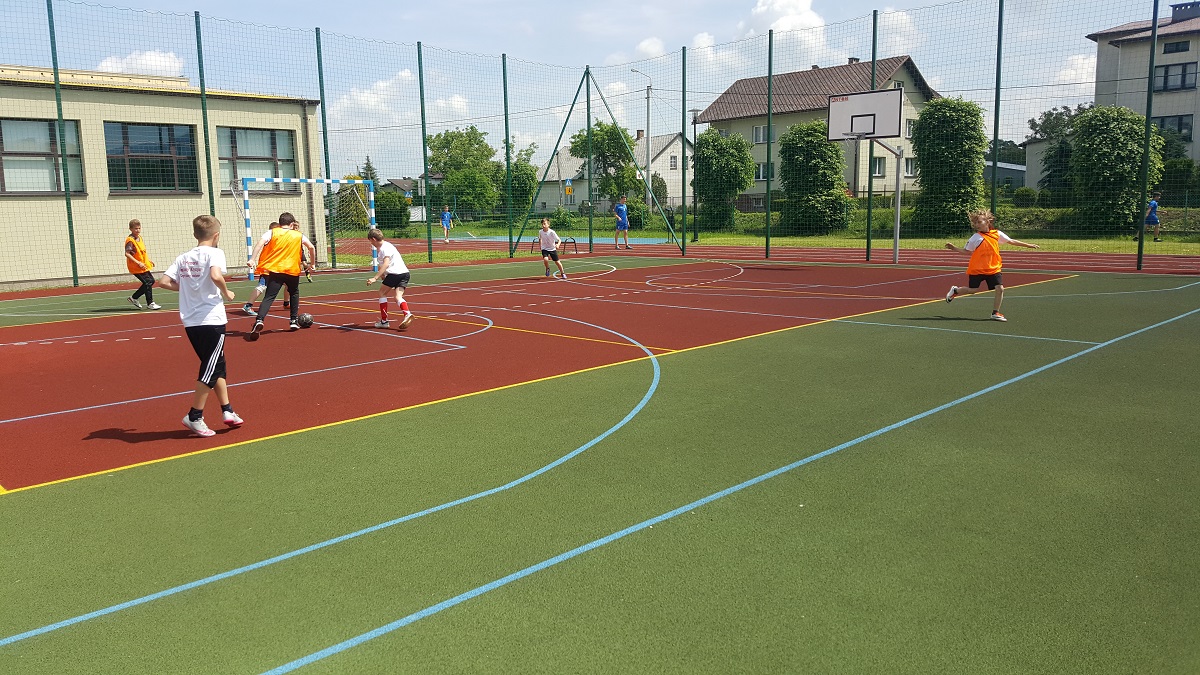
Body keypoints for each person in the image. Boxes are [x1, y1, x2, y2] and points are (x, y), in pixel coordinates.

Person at [156, 215, 243, 437]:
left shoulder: (183, 257)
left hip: (191, 321)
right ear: (216, 235)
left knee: (216, 364)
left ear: (195, 234)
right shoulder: (215, 253)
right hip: (211, 318)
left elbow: (164, 282)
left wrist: (186, 288)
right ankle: (194, 416)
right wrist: (226, 291)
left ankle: (227, 410)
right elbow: (215, 275)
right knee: (210, 368)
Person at [944, 209, 1040, 322]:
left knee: (1000, 289)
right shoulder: (976, 237)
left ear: (987, 221)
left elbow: (1011, 241)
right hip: (978, 269)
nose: (977, 225)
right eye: (975, 223)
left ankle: (995, 313)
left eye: (979, 222)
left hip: (993, 268)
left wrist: (1029, 245)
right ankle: (956, 291)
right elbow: (967, 251)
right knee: (973, 290)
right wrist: (954, 248)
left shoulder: (996, 234)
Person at [252, 212, 315, 333]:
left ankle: (259, 319)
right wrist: (312, 264)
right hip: (292, 270)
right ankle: (293, 321)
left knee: (269, 296)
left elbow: (259, 244)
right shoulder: (298, 235)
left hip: (276, 270)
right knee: (294, 293)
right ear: (292, 224)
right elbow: (311, 247)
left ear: (280, 223)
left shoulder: (272, 232)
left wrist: (252, 259)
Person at [365, 229, 414, 330]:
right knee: (397, 297)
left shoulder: (384, 248)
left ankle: (384, 321)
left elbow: (386, 263)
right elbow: (385, 264)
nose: (371, 243)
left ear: (374, 239)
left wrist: (375, 278)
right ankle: (407, 314)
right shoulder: (385, 247)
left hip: (395, 274)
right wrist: (383, 275)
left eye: (370, 241)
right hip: (404, 274)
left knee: (382, 293)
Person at [242, 222, 280, 316]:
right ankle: (248, 305)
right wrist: (252, 259)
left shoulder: (278, 239)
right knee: (262, 286)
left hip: (275, 267)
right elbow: (259, 245)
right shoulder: (270, 236)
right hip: (267, 267)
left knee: (288, 284)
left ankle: (287, 303)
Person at [124, 219, 162, 310]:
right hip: (136, 266)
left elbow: (141, 252)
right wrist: (138, 263)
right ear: (130, 229)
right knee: (148, 282)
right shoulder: (130, 240)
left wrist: (148, 260)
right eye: (135, 228)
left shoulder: (140, 238)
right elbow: (127, 253)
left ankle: (135, 298)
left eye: (139, 228)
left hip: (143, 265)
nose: (138, 230)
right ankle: (149, 302)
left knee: (150, 281)